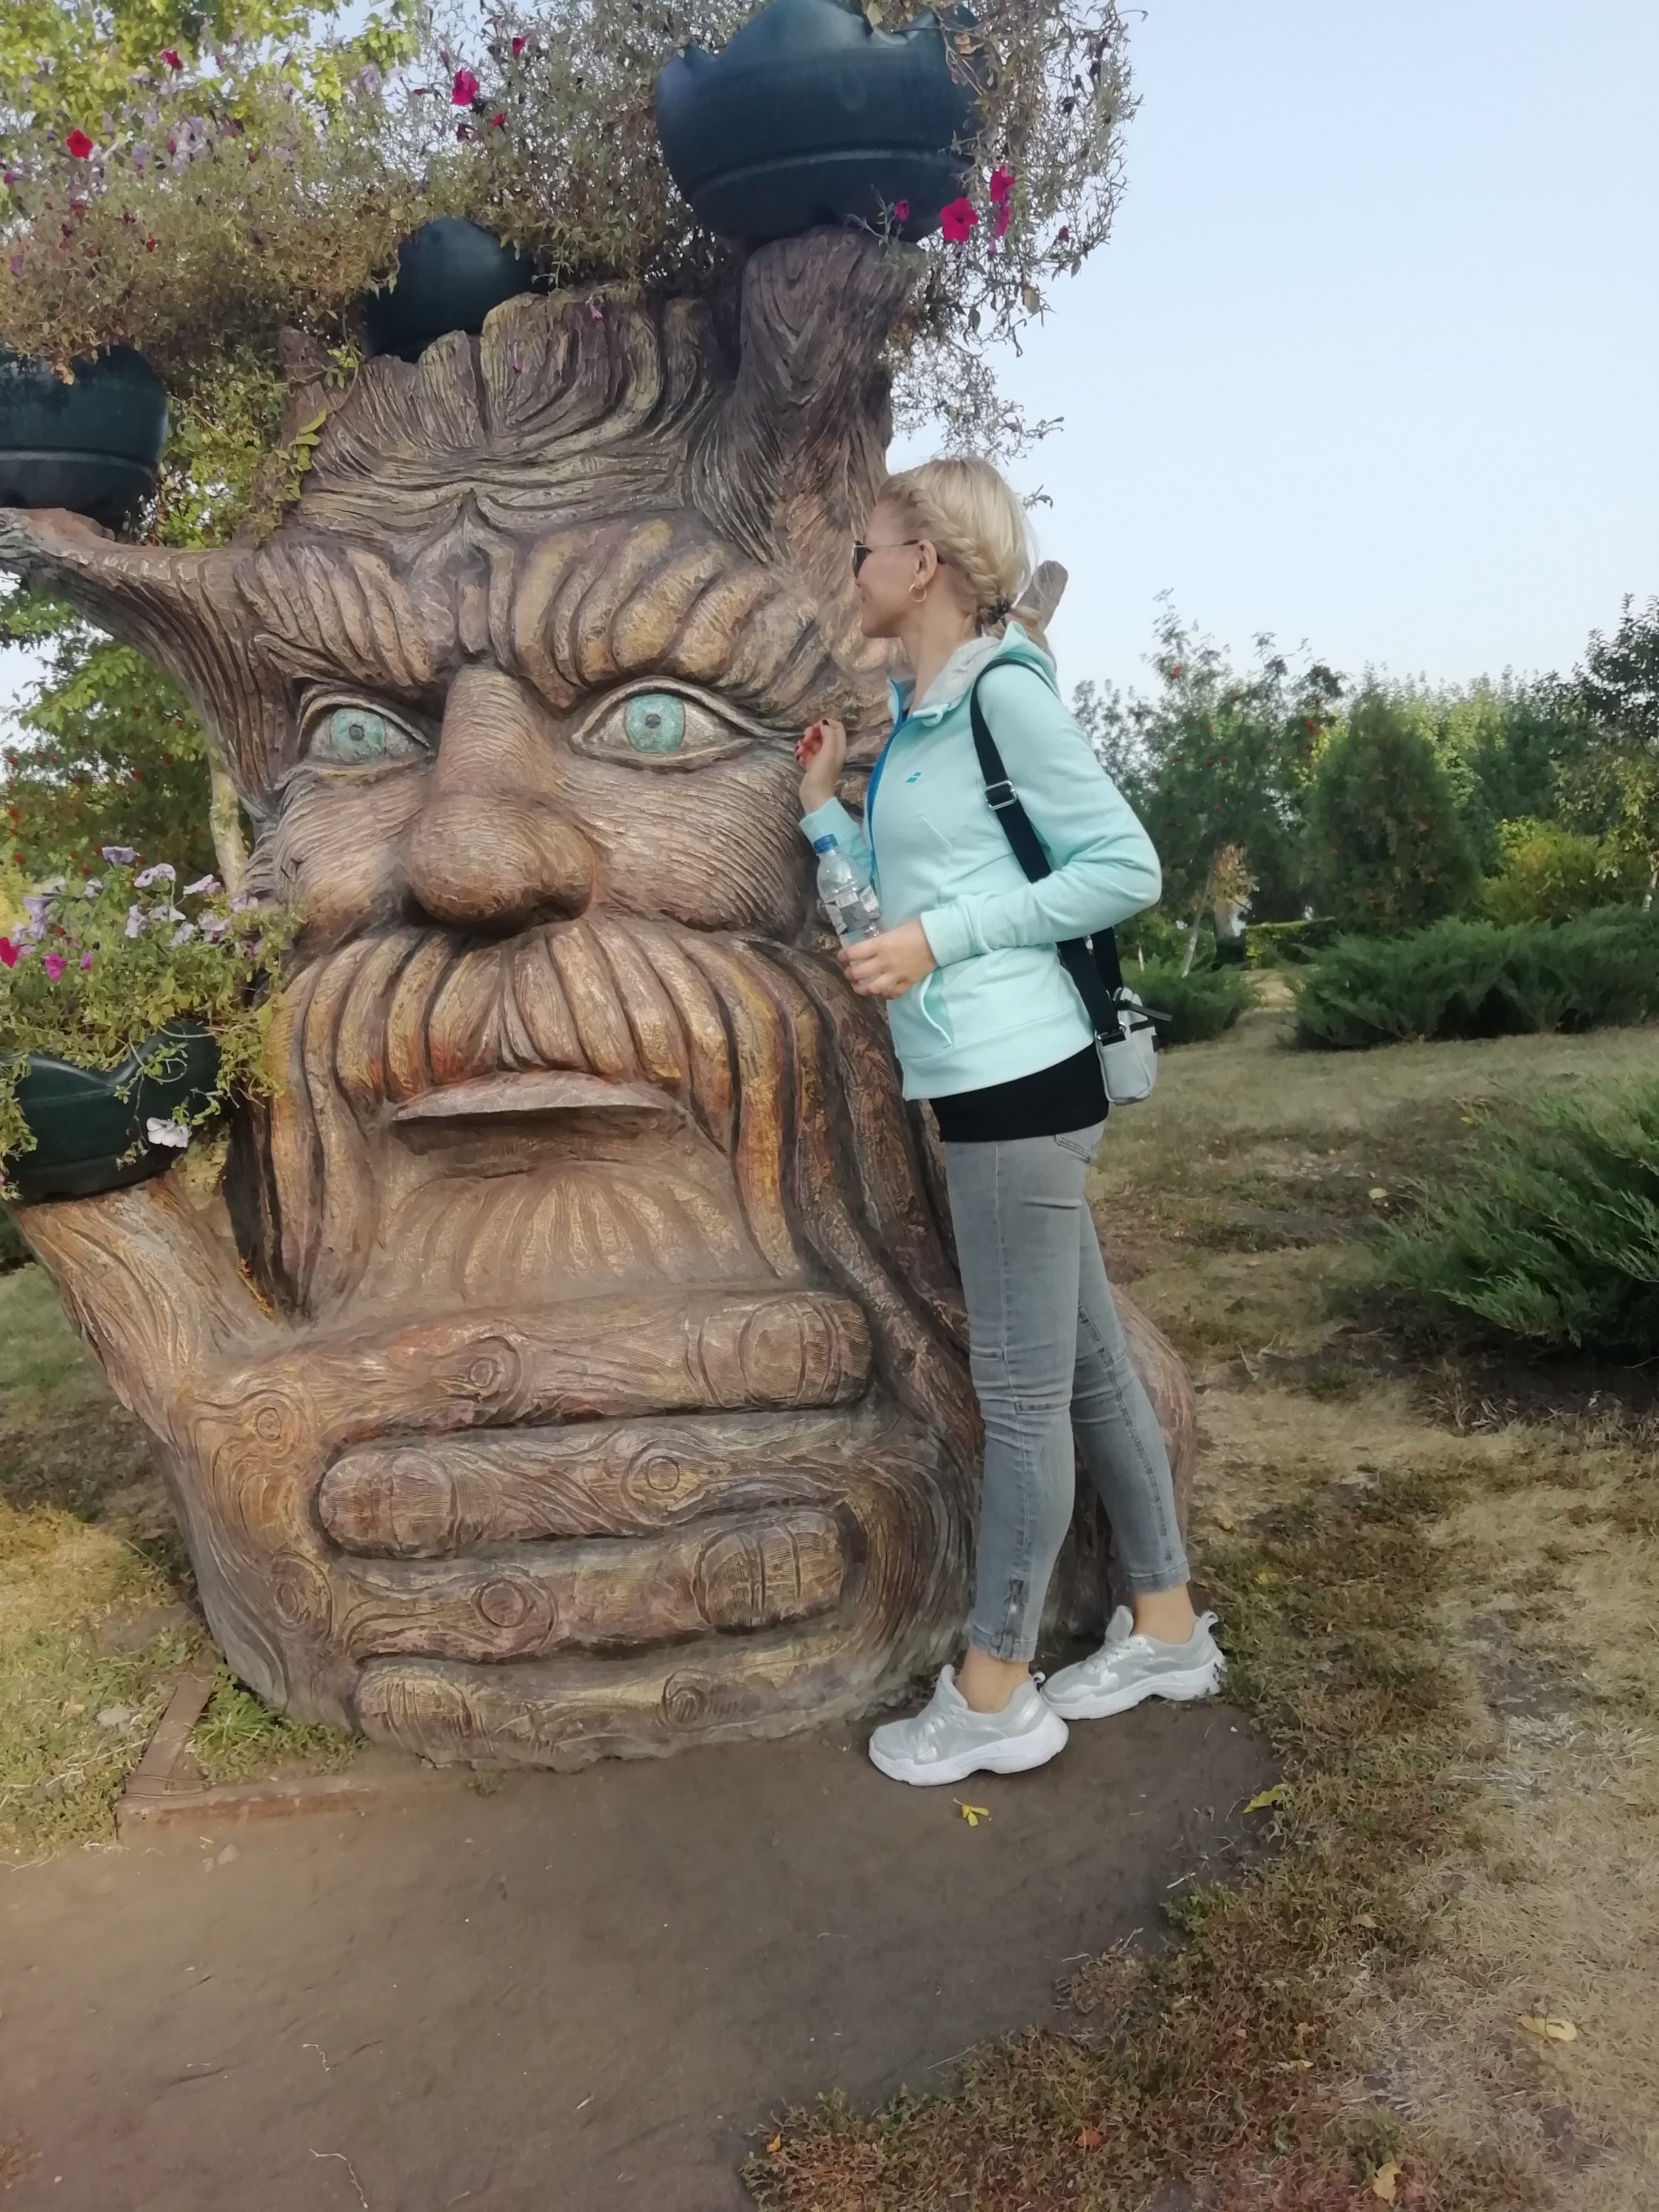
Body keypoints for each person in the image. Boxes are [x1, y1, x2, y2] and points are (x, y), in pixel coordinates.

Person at [795, 456, 1224, 1787]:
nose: (853, 571)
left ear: (923, 561)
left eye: (865, 548)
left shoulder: (1001, 695)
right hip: (975, 1074)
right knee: (1085, 1372)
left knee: (1023, 1403)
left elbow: (1124, 867)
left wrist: (946, 938)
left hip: (1019, 1079)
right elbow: (887, 916)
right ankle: (1164, 1628)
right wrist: (823, 816)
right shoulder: (914, 718)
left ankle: (993, 1692)